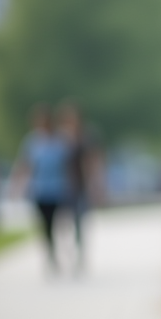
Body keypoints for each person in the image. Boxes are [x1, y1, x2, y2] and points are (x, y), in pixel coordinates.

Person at [10, 104, 71, 275]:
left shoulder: (60, 141)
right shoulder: (32, 142)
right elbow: (24, 165)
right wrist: (17, 186)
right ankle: (51, 255)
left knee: (58, 223)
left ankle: (60, 249)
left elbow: (67, 166)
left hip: (58, 189)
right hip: (40, 190)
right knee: (44, 226)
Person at [58, 101, 103, 270]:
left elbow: (94, 160)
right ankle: (66, 248)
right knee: (63, 222)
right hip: (63, 186)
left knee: (79, 221)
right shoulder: (61, 138)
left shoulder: (87, 137)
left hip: (81, 185)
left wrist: (96, 184)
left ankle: (79, 253)